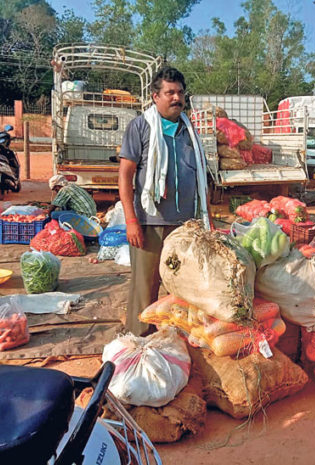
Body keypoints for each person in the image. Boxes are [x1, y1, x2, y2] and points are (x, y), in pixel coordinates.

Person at [118, 67, 210, 335]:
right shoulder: (141, 127)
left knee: (181, 289)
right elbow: (125, 177)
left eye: (180, 92)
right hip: (150, 223)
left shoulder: (189, 130)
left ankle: (173, 344)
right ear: (155, 96)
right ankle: (139, 343)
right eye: (170, 92)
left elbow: (201, 177)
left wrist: (206, 218)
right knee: (145, 288)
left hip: (185, 225)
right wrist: (131, 220)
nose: (176, 98)